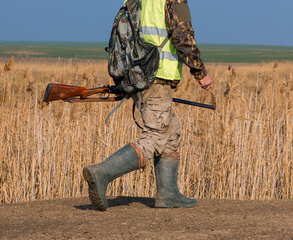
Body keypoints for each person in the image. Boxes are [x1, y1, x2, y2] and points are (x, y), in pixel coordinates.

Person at [82, 0, 214, 211]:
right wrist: (200, 72)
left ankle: (168, 194)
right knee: (155, 136)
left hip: (137, 74)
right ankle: (102, 173)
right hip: (156, 76)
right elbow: (183, 38)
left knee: (171, 133)